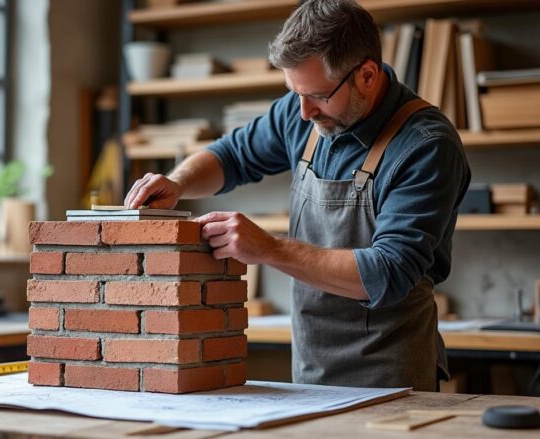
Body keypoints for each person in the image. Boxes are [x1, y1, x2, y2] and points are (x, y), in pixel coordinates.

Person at [123, 0, 471, 391]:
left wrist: (269, 249)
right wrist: (179, 182)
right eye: (294, 92)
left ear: (367, 75)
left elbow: (387, 272)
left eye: (318, 96)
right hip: (311, 370)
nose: (303, 112)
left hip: (392, 376)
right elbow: (232, 155)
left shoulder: (425, 145)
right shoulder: (301, 109)